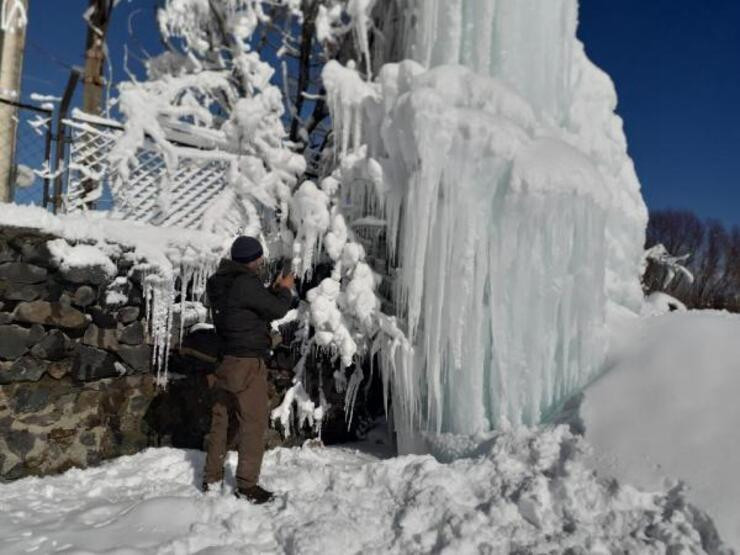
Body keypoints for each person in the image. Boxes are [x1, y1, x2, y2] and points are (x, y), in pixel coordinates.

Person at [202, 235, 294, 503]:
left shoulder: (219, 281)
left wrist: (271, 290)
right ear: (253, 260)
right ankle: (247, 486)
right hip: (247, 363)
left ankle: (212, 479)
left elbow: (249, 307)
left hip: (224, 360)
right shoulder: (246, 283)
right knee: (253, 423)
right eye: (260, 258)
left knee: (222, 421)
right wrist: (285, 289)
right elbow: (276, 309)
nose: (262, 262)